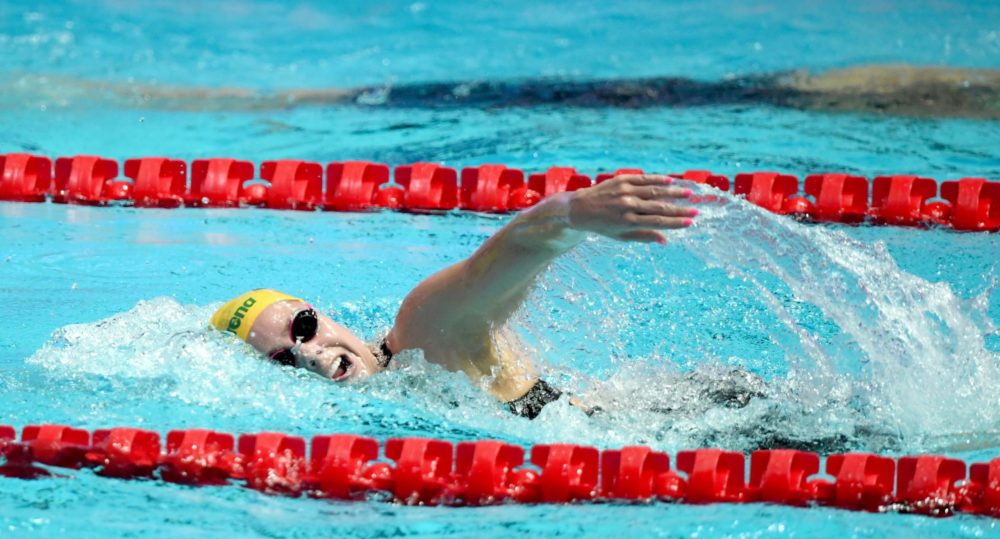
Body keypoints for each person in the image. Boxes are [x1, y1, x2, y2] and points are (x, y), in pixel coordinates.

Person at [209, 174, 698, 418]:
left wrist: (573, 213)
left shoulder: (422, 332)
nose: (310, 356)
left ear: (326, 314)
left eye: (304, 327)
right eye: (282, 361)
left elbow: (515, 248)